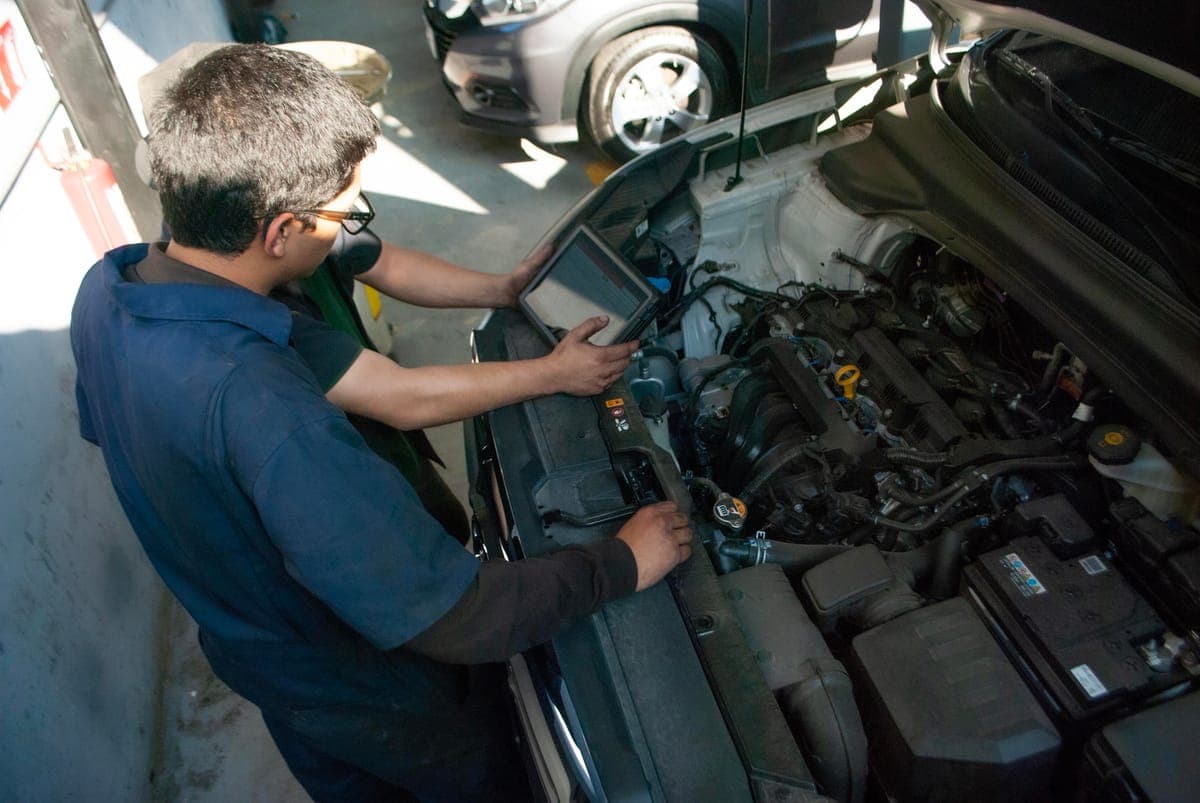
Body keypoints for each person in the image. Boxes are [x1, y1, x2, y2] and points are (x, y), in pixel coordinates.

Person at [71, 44, 693, 802]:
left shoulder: (107, 292)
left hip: (266, 661)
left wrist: (501, 289)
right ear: (282, 231)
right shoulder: (269, 412)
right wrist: (621, 561)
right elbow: (457, 615)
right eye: (341, 215)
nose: (348, 230)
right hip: (372, 690)